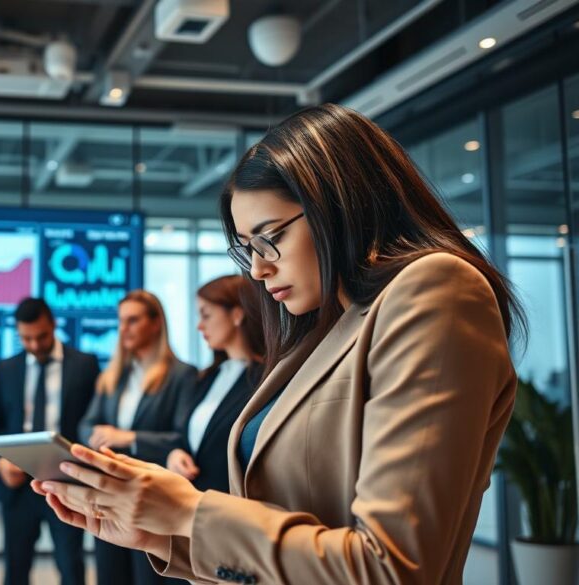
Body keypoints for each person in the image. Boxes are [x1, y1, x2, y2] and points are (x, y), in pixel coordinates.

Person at [32, 103, 522, 585]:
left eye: (270, 239)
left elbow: (391, 568)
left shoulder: (434, 290)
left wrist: (187, 511)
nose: (259, 268)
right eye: (247, 249)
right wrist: (159, 535)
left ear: (341, 205)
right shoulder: (324, 328)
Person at [78, 289, 198, 585]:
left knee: (148, 577)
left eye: (132, 320)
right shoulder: (113, 375)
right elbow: (87, 424)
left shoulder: (182, 375)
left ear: (156, 323)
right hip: (109, 496)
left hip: (149, 496)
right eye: (121, 321)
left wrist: (127, 437)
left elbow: (182, 439)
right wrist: (98, 438)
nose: (123, 329)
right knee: (110, 575)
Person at [0, 298, 101, 585]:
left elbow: (93, 422)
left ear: (53, 325)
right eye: (26, 338)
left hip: (66, 483)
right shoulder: (7, 368)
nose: (34, 345)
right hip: (17, 488)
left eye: (41, 337)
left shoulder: (84, 365)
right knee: (16, 568)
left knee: (71, 565)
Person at [166, 275, 265, 494]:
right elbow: (184, 435)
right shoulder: (208, 377)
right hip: (191, 503)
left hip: (231, 507)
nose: (200, 326)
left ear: (237, 314)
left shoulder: (266, 379)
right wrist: (176, 453)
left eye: (206, 315)